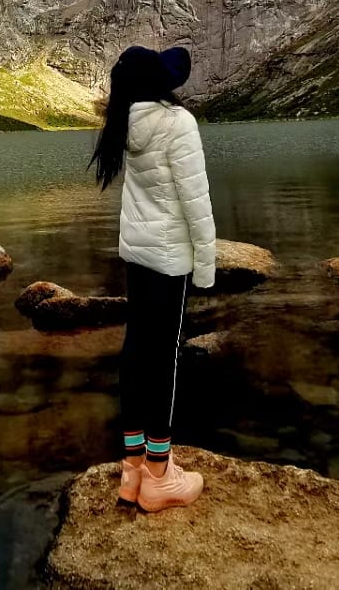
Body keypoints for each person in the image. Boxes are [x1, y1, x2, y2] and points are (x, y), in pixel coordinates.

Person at [89, 44, 216, 513]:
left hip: (137, 254)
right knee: (165, 359)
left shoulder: (126, 122)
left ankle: (132, 468)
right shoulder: (176, 123)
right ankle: (160, 476)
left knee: (135, 351)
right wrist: (206, 266)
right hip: (168, 259)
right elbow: (195, 201)